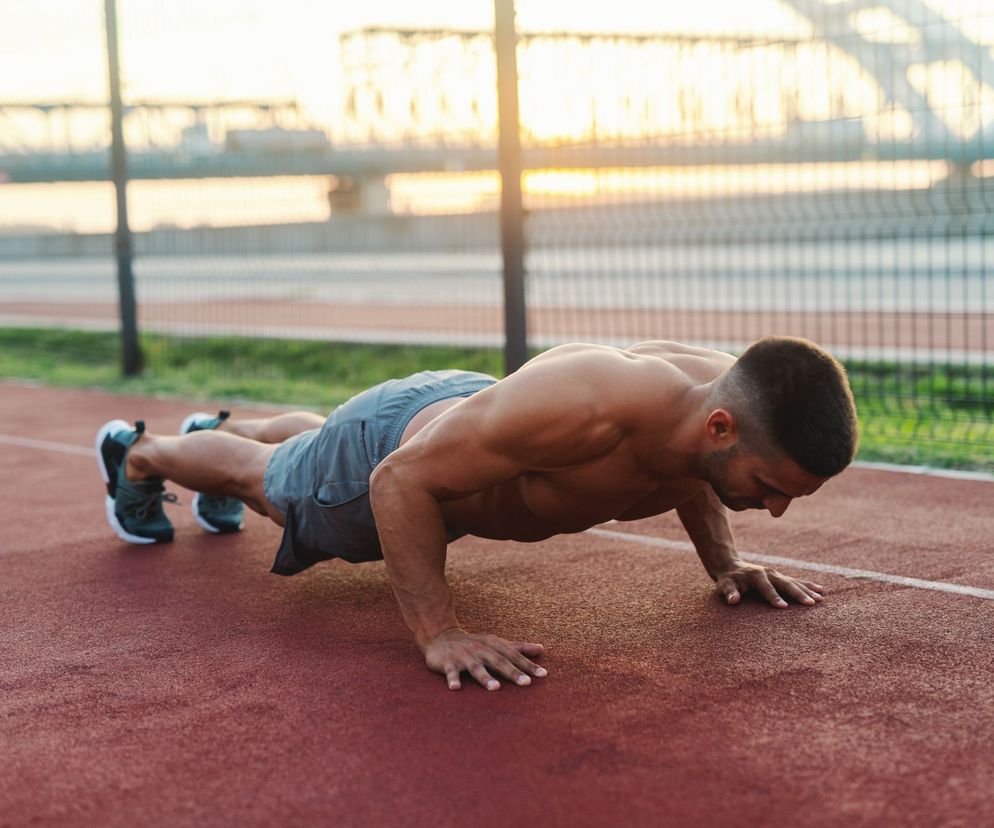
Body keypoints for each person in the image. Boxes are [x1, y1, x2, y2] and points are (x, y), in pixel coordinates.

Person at [95, 337, 858, 692]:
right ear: (721, 429)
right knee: (275, 485)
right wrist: (439, 633)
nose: (779, 510)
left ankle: (232, 431)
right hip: (391, 456)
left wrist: (724, 563)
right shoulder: (596, 405)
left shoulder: (709, 405)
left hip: (456, 419)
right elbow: (399, 482)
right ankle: (144, 453)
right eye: (771, 485)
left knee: (315, 448)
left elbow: (690, 470)